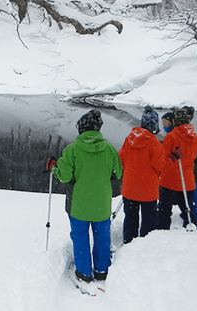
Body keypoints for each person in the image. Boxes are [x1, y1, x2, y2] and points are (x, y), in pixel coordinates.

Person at [48, 109, 122, 283]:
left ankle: (84, 273)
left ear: (81, 129)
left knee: (80, 237)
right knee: (102, 237)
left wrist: (54, 168)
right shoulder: (109, 149)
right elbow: (118, 173)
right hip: (102, 205)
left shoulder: (72, 150)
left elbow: (64, 176)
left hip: (78, 205)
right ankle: (102, 270)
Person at [119, 106, 166, 244]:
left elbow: (121, 159)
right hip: (148, 191)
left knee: (130, 218)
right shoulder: (154, 143)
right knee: (149, 220)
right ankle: (144, 245)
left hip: (129, 188)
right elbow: (160, 166)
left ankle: (128, 242)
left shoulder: (129, 139)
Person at [158, 106, 197, 229]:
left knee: (164, 211)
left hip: (169, 181)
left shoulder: (171, 137)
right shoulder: (195, 138)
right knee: (188, 210)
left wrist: (174, 157)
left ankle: (162, 233)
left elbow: (163, 162)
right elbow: (192, 157)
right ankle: (192, 231)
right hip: (187, 180)